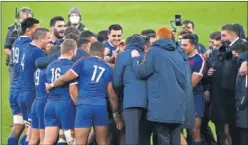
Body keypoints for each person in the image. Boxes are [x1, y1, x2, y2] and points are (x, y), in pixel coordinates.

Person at [45, 42, 123, 145]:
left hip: (84, 105)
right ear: (103, 53)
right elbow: (112, 96)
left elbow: (66, 78)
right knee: (103, 142)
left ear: (90, 52)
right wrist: (115, 114)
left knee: (80, 142)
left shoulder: (82, 62)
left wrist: (51, 85)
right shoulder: (107, 68)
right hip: (100, 106)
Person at [131, 27, 186, 145]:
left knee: (163, 136)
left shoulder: (155, 51)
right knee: (175, 136)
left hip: (160, 103)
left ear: (158, 37)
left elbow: (142, 72)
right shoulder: (178, 52)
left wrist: (135, 59)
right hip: (178, 102)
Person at [113, 35, 152, 145]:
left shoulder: (123, 55)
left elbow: (116, 81)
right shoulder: (148, 56)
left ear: (127, 44)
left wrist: (121, 93)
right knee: (145, 136)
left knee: (131, 135)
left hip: (131, 101)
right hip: (150, 102)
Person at [7, 16, 37, 145]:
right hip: (24, 89)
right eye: (37, 29)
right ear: (30, 31)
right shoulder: (29, 46)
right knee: (30, 129)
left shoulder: (16, 42)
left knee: (18, 125)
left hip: (14, 89)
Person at [42, 39, 78, 145]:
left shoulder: (50, 65)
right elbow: (73, 89)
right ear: (72, 51)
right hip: (66, 105)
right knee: (71, 140)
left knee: (48, 141)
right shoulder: (73, 66)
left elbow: (46, 87)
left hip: (50, 105)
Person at [29, 42, 59, 145]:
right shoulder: (49, 69)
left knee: (33, 139)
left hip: (36, 102)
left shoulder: (39, 69)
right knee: (43, 139)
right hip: (43, 104)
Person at [181, 34, 206, 145]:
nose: (182, 47)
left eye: (185, 45)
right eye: (181, 44)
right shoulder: (180, 57)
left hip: (194, 99)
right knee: (178, 130)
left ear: (193, 45)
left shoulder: (198, 60)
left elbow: (192, 84)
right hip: (181, 99)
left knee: (194, 130)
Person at [4, 7, 33, 83]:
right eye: (24, 20)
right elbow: (6, 49)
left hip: (29, 66)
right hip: (15, 66)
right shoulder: (13, 31)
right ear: (20, 19)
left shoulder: (35, 31)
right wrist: (18, 57)